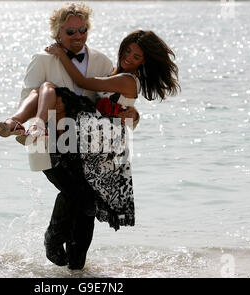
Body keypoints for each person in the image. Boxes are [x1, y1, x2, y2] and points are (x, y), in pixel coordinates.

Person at [0, 3, 139, 270]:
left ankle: (77, 268)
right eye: (70, 31)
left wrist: (132, 114)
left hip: (89, 146)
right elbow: (29, 96)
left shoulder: (101, 61)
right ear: (57, 32)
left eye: (83, 30)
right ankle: (52, 238)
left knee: (88, 204)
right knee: (78, 194)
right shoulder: (42, 59)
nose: (78, 35)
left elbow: (111, 100)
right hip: (52, 143)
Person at [16, 29, 180, 233]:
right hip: (94, 138)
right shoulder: (113, 72)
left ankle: (59, 247)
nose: (128, 57)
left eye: (136, 56)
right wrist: (133, 113)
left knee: (84, 200)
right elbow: (107, 103)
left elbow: (83, 83)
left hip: (105, 142)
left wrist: (61, 55)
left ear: (143, 62)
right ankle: (73, 260)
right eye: (127, 51)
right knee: (83, 198)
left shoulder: (127, 79)